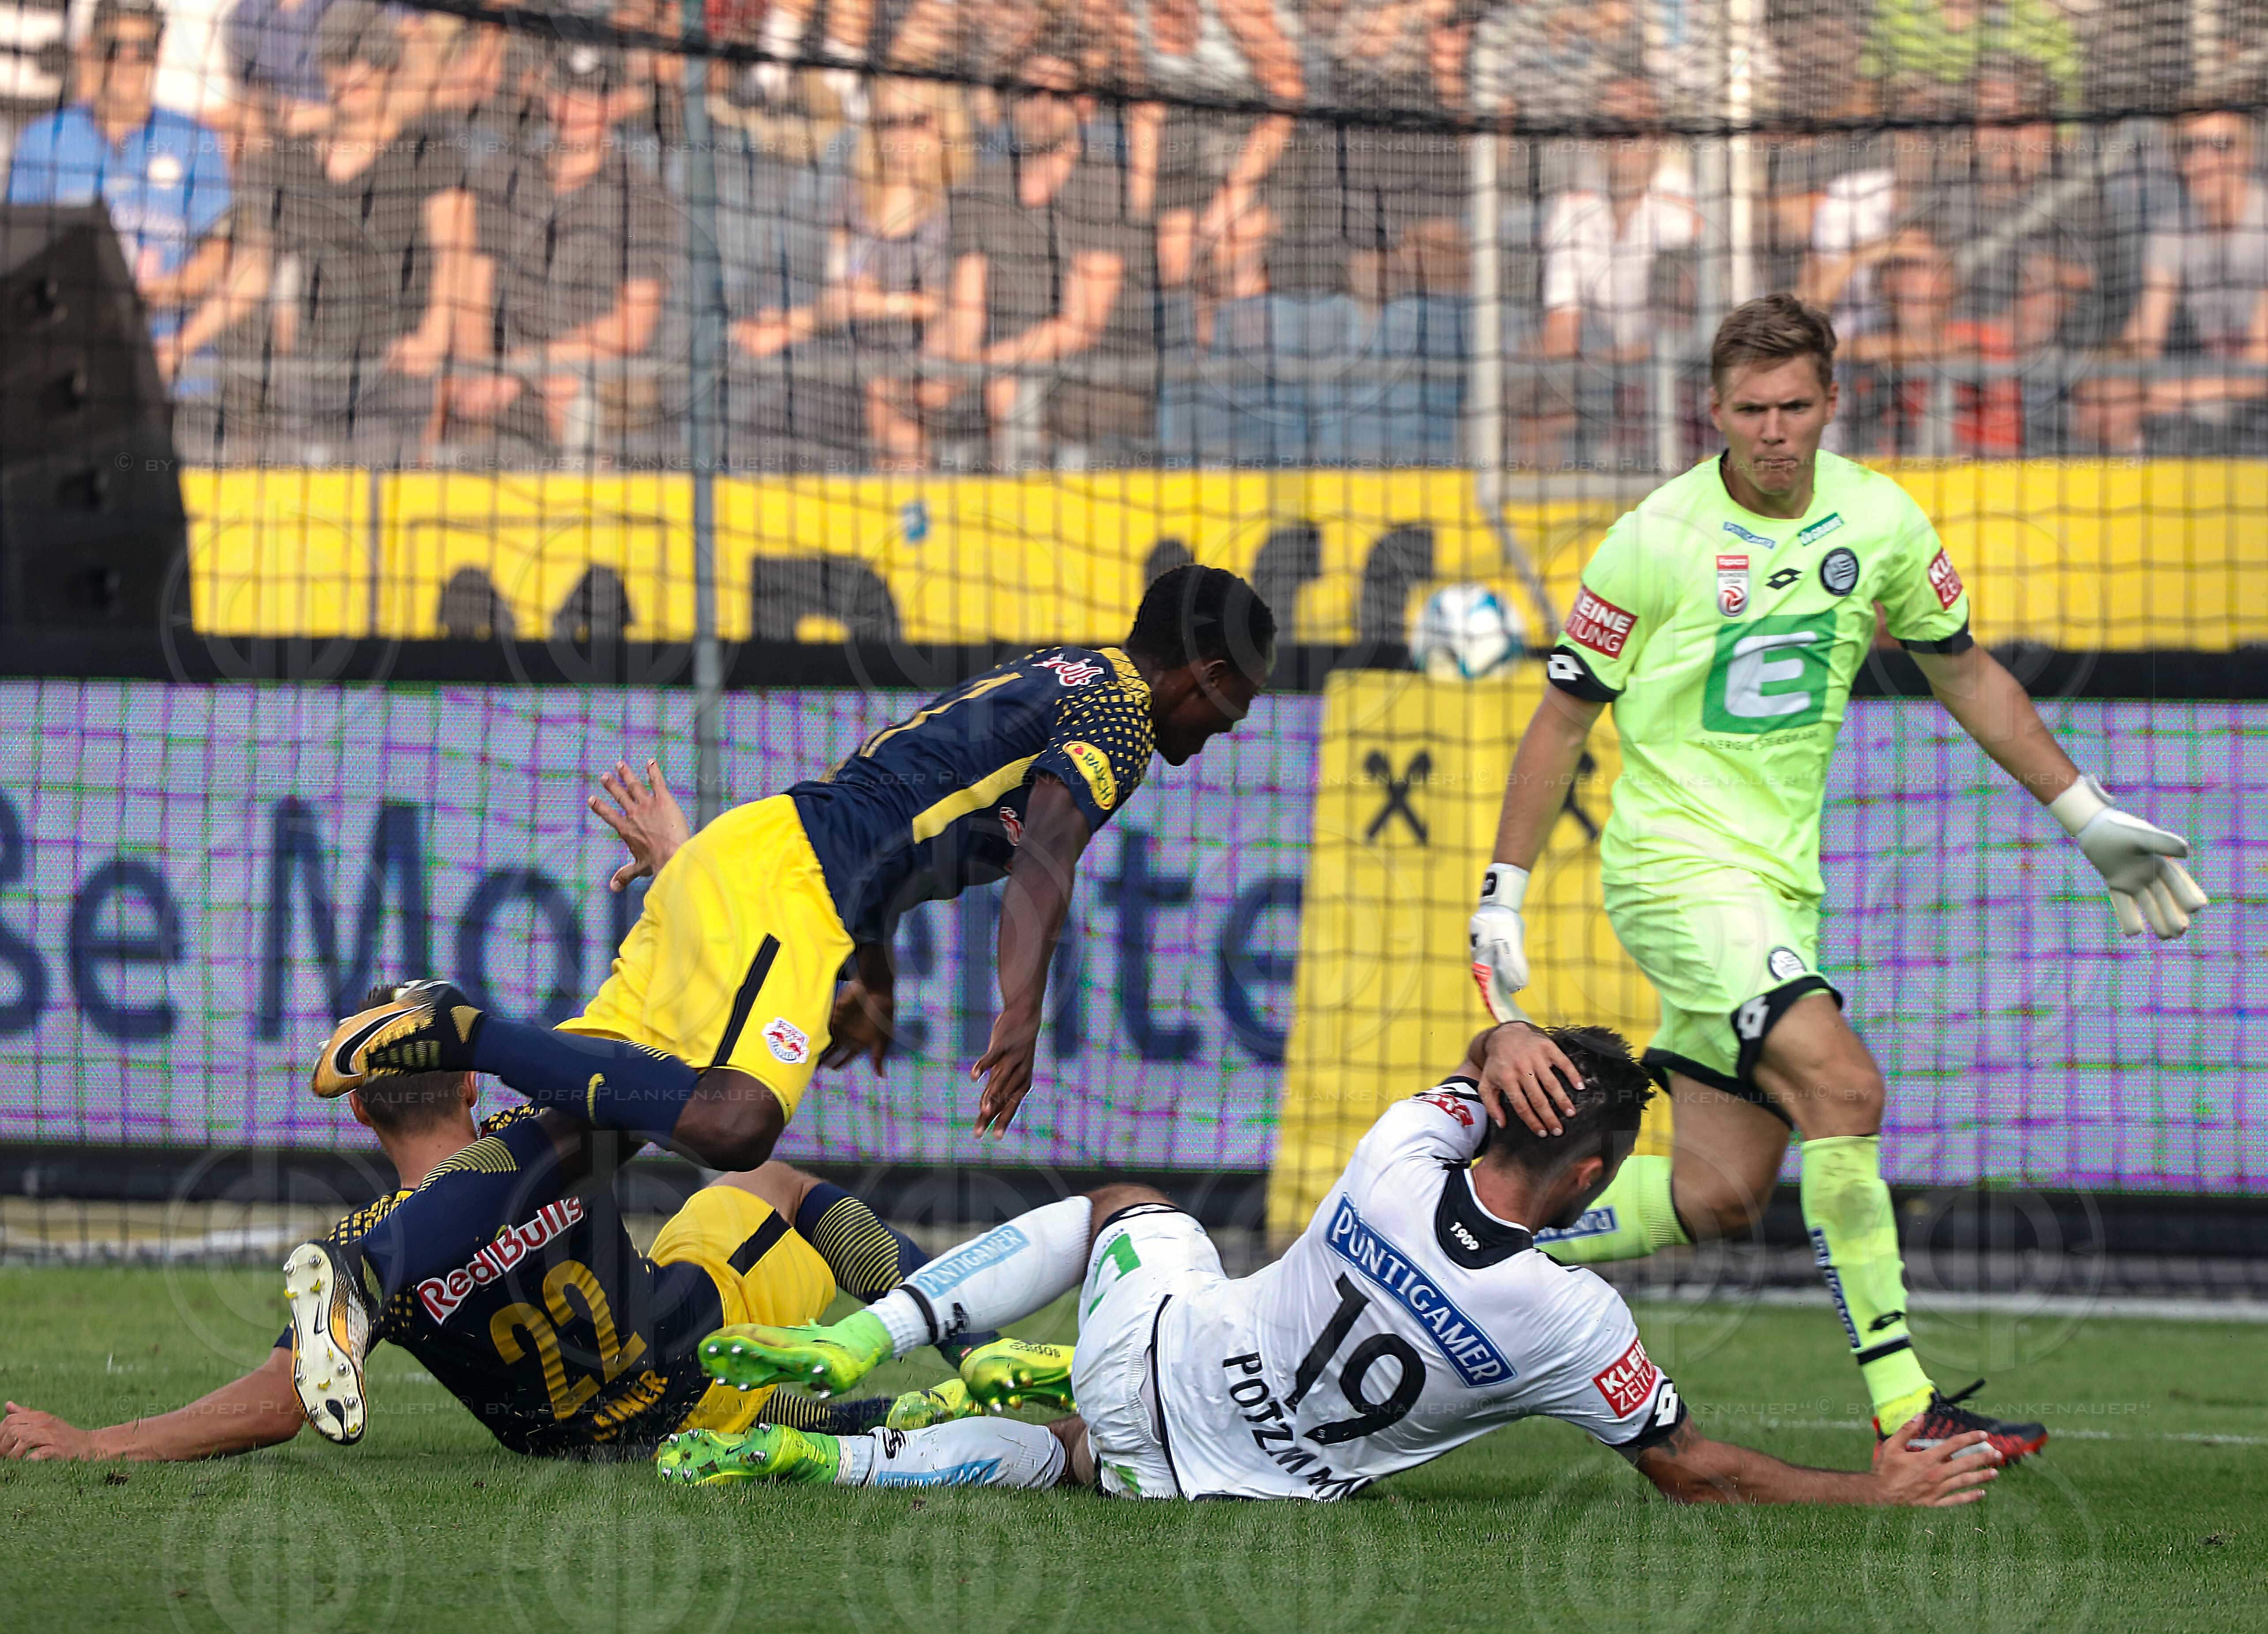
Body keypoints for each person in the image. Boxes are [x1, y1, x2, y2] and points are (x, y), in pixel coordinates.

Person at [1463, 294, 2208, 1460]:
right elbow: (1561, 721)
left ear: (1831, 401)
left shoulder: (1882, 518)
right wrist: (1503, 883)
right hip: (1675, 871)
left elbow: (1968, 675)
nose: (1774, 430)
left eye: (1796, 406)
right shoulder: (1653, 537)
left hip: (1776, 889)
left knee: (1717, 1192)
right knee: (1847, 1090)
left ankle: (1472, 1243)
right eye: (1751, 409)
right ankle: (1906, 1407)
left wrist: (2085, 811)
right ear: (1713, 411)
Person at [292, 564, 1275, 1430]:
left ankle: (365, 1270)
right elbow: (1047, 849)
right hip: (791, 877)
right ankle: (457, 1024)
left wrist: (871, 961)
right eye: (1235, 703)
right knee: (738, 1121)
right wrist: (1020, 1011)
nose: (1229, 725)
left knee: (576, 1131)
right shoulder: (1123, 715)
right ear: (1207, 674)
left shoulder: (1073, 671)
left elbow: (920, 806)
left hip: (770, 866)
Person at [656, 1022, 2003, 1509]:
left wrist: (1501, 1036)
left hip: (1158, 1358)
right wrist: (1868, 1495)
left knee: (1126, 1204)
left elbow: (1474, 1082)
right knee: (1085, 1458)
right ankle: (826, 1457)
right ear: (1593, 1177)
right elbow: (1693, 1473)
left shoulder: (1394, 1151)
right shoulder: (1570, 1318)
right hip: (1237, 1487)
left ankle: (858, 1348)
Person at [0, 1003, 1046, 1460]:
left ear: (361, 1113)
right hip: (701, 1355)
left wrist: (94, 1438)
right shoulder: (549, 1130)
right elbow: (690, 1088)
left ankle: (882, 1420)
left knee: (369, 1291)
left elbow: (273, 1409)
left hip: (593, 1437)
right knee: (773, 1182)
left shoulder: (374, 1238)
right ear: (467, 1077)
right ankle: (968, 1344)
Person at [438, 45, 675, 459]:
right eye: (567, 92)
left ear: (615, 103)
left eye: (593, 95)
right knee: (441, 386)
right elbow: (471, 290)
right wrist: (481, 371)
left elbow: (633, 327)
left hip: (595, 372)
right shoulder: (503, 174)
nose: (577, 108)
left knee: (569, 390)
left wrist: (527, 368)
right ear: (548, 96)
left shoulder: (641, 195)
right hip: (501, 366)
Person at [5, 0, 234, 390]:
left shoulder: (196, 141)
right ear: (93, 49)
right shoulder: (44, 142)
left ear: (159, 53)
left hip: (176, 373)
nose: (129, 60)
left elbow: (220, 253)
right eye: (115, 47)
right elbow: (17, 255)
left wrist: (153, 294)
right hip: (70, 375)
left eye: (141, 48)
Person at [2075, 110, 2268, 458]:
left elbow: (2259, 368)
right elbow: (2144, 340)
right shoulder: (2173, 232)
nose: (2202, 160)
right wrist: (2108, 382)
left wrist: (2161, 395)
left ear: (2248, 154)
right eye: (2188, 147)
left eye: (2221, 145)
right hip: (2221, 395)